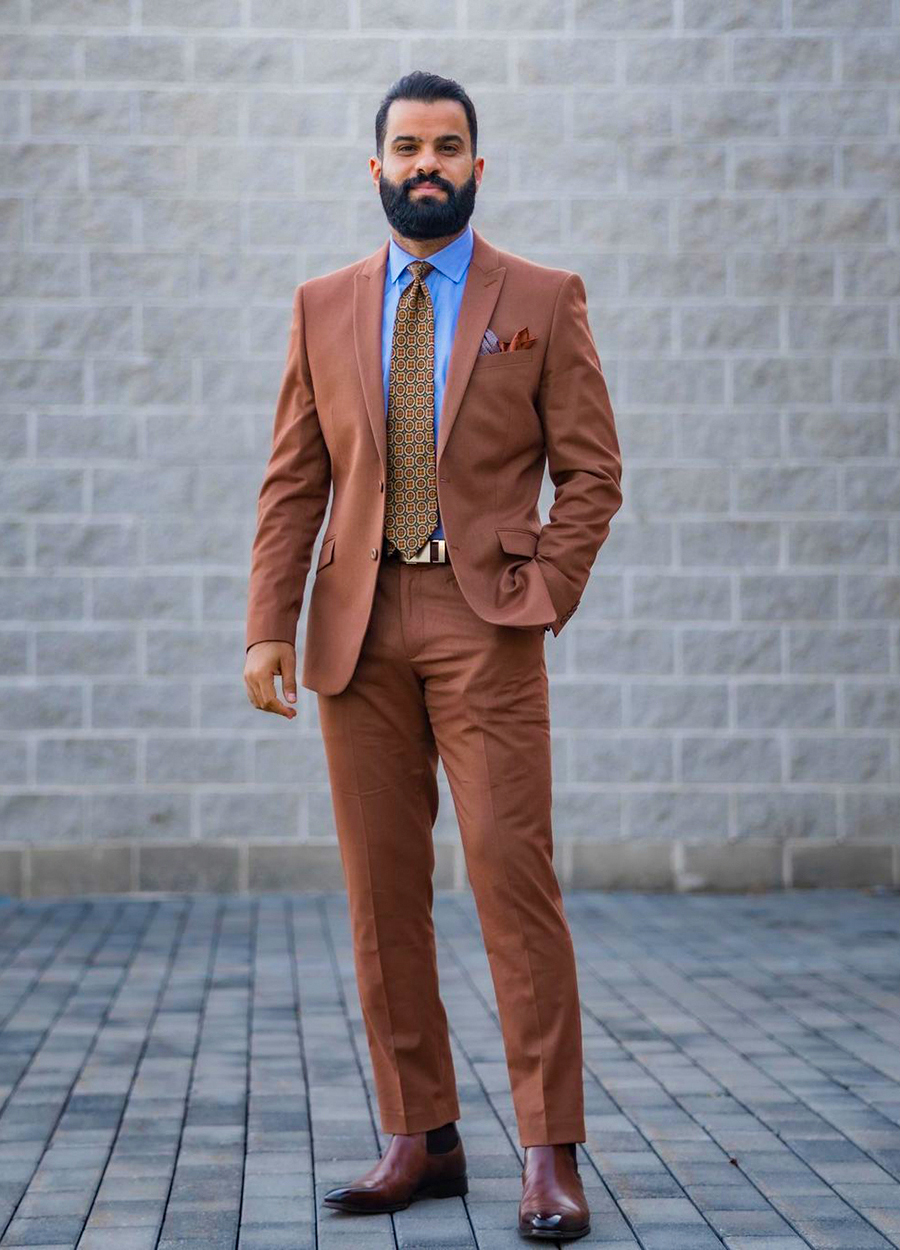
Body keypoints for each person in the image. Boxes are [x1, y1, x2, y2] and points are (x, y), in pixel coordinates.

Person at [243, 69, 623, 1241]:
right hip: (355, 631)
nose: (426, 164)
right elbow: (295, 476)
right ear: (375, 166)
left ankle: (549, 1150)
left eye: (447, 146)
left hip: (485, 626)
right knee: (380, 896)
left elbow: (594, 473)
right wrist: (268, 622)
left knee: (514, 881)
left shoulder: (542, 298)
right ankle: (423, 1132)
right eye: (406, 146)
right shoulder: (322, 304)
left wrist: (541, 590)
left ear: (475, 163)